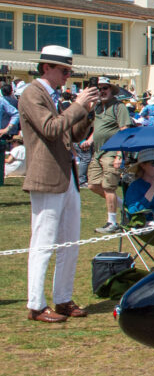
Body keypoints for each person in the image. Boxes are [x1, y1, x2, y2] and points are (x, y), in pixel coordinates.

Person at [19, 46, 99, 322]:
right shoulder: (32, 93)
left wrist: (86, 112)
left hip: (67, 177)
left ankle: (63, 298)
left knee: (70, 242)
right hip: (46, 176)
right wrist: (77, 105)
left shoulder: (54, 97)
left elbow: (72, 135)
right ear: (46, 68)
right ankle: (36, 304)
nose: (67, 75)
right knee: (43, 241)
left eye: (69, 70)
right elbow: (51, 129)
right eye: (64, 70)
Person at [85, 77, 133, 233]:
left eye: (105, 88)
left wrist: (120, 154)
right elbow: (97, 129)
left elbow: (125, 131)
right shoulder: (98, 107)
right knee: (92, 185)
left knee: (108, 187)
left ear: (111, 90)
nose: (102, 91)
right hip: (97, 153)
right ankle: (123, 207)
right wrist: (89, 140)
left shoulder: (119, 107)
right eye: (99, 88)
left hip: (112, 152)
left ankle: (112, 222)